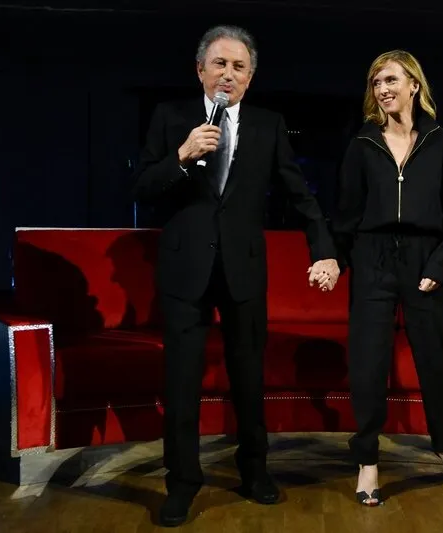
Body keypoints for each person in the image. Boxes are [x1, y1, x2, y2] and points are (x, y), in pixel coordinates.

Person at [132, 25, 340, 527]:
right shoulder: (171, 117)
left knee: (248, 376)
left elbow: (298, 192)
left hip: (243, 268)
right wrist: (182, 156)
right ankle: (182, 483)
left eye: (239, 66)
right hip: (185, 270)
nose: (228, 74)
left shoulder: (268, 125)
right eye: (220, 64)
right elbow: (141, 187)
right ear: (200, 69)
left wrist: (324, 250)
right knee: (182, 382)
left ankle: (254, 471)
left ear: (250, 77)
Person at [330, 50, 443, 506]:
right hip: (372, 259)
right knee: (368, 363)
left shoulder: (441, 142)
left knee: (434, 362)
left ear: (414, 84)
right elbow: (346, 213)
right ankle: (367, 462)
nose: (383, 89)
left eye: (391, 80)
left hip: (423, 260)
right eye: (376, 83)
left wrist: (438, 265)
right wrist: (334, 258)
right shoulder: (362, 144)